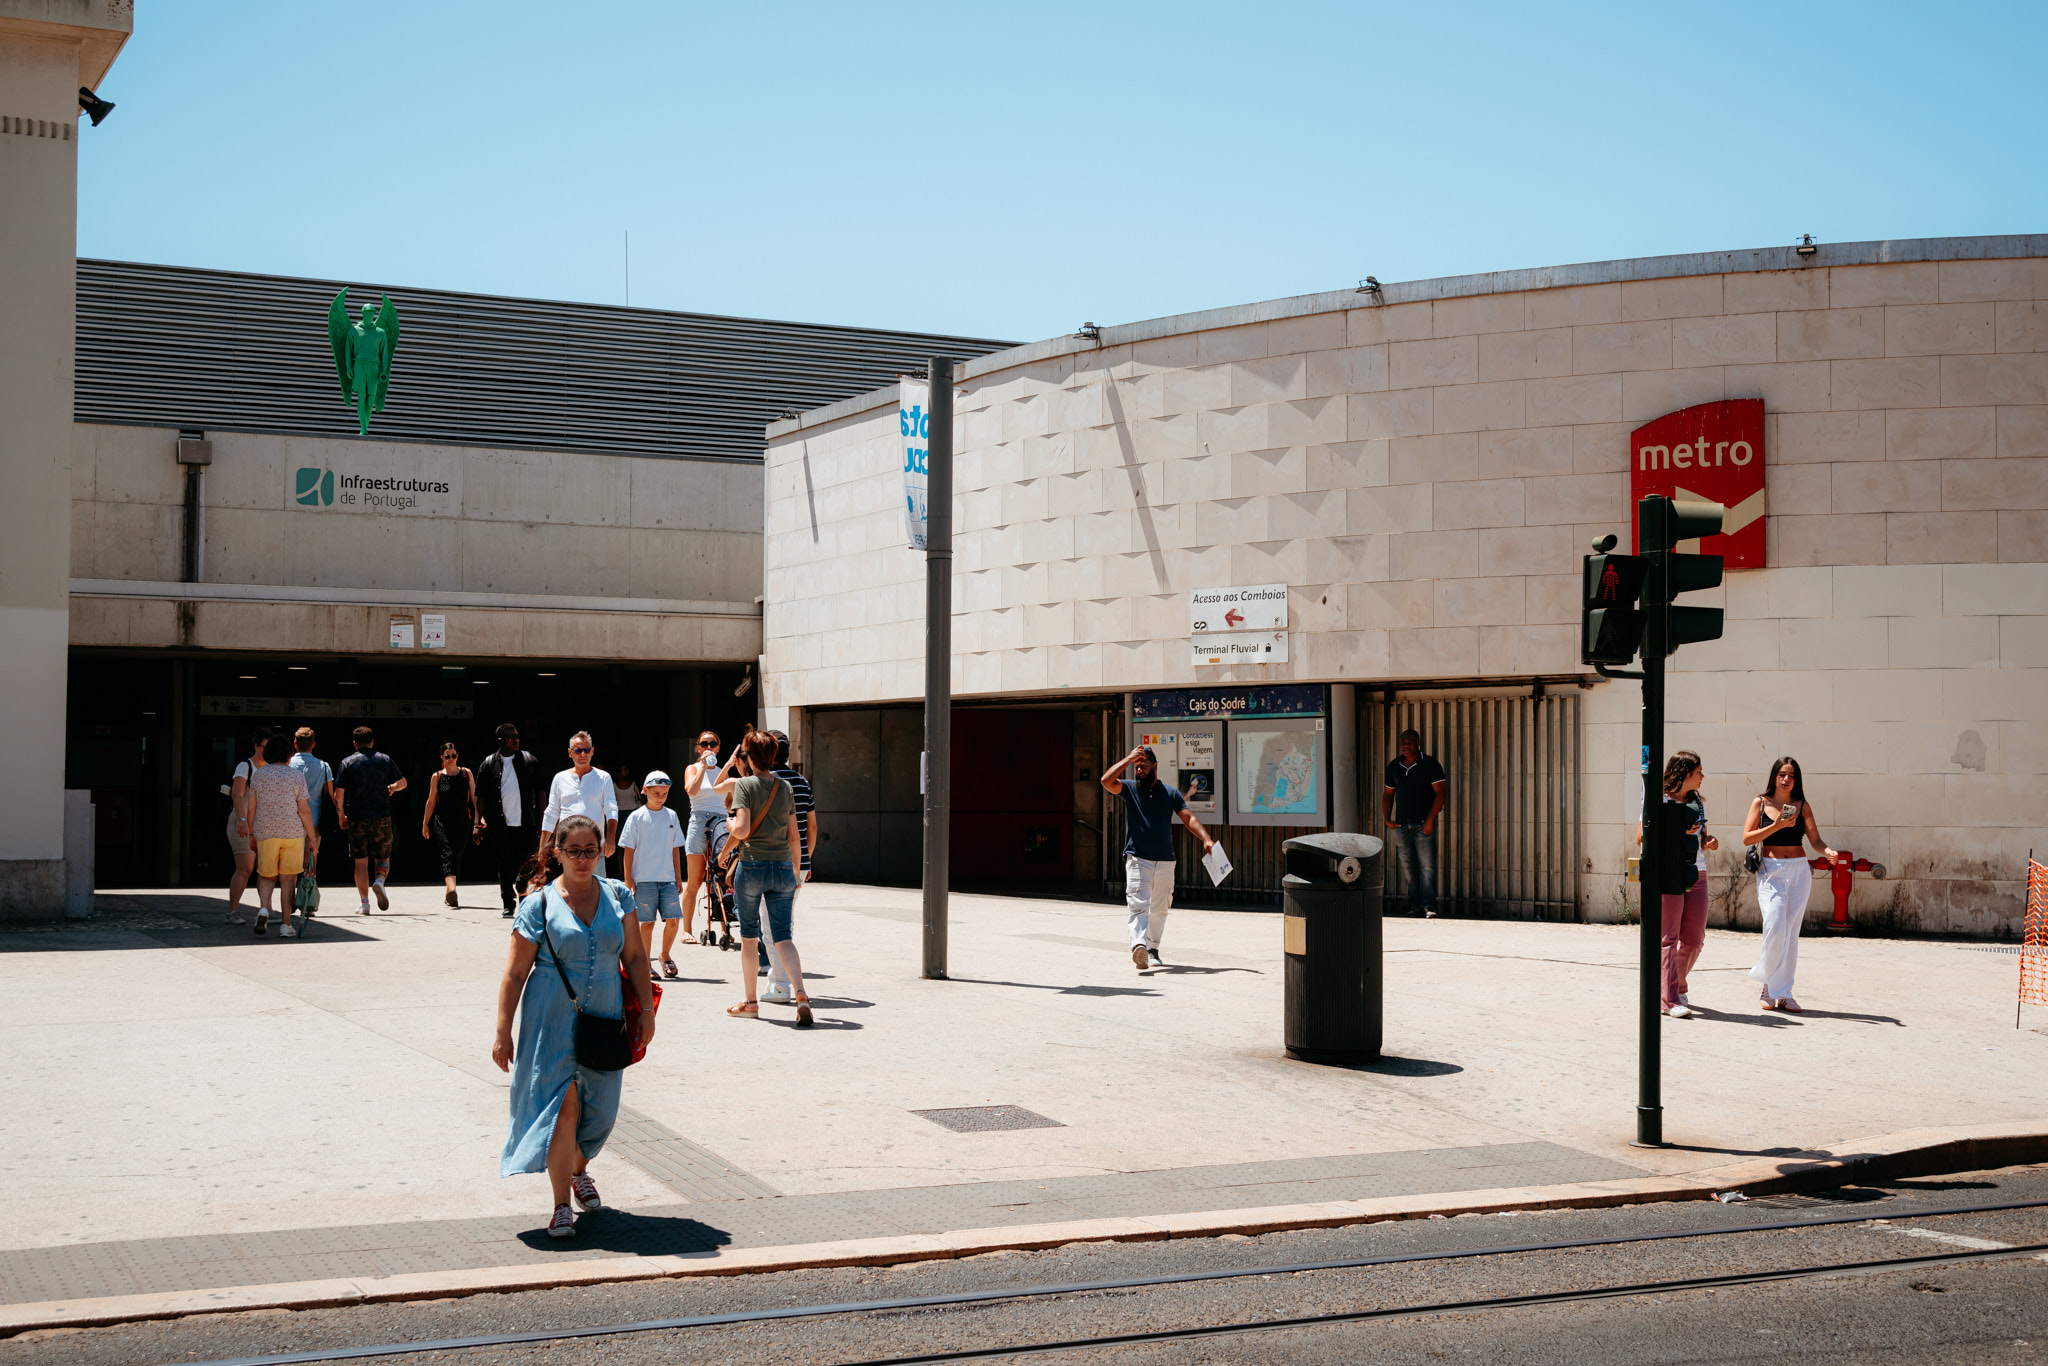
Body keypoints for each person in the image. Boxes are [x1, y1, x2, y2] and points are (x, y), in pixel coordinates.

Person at [492, 814, 656, 1239]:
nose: (582, 859)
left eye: (590, 850)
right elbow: (513, 975)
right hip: (550, 1018)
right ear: (557, 853)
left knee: (599, 1112)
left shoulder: (619, 896)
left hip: (605, 1014)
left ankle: (577, 1169)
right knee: (562, 1109)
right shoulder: (538, 904)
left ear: (603, 851)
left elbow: (635, 957)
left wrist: (646, 1012)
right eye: (573, 851)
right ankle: (561, 1205)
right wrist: (502, 1032)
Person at [1099, 743, 1217, 972]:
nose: (1139, 770)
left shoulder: (1170, 793)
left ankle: (1152, 949)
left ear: (1155, 766)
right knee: (1138, 904)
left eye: (1143, 766)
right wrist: (1128, 758)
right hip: (1138, 858)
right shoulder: (1130, 788)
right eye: (1137, 767)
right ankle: (1138, 946)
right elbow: (1106, 781)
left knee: (1161, 907)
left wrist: (1206, 838)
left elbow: (1188, 817)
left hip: (1165, 860)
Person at [724, 731, 811, 1025]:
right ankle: (800, 994)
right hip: (783, 867)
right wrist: (796, 873)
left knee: (750, 938)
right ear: (773, 757)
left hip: (752, 867)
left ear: (748, 757)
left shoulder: (744, 785)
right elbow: (795, 836)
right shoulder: (785, 786)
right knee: (783, 936)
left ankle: (750, 1001)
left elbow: (743, 830)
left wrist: (730, 823)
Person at [1742, 756, 1841, 1014]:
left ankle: (1784, 993)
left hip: (1798, 870)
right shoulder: (1760, 802)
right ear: (1775, 776)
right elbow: (1747, 838)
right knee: (1774, 927)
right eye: (1783, 774)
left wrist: (1828, 850)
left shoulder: (1801, 805)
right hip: (1770, 871)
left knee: (1791, 933)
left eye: (1792, 776)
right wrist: (1776, 826)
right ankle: (1767, 984)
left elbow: (1815, 840)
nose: (1787, 780)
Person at [1637, 751, 1718, 1019]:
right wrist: (1674, 831)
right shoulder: (1657, 799)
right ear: (1684, 773)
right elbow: (1641, 838)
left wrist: (1708, 842)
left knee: (1695, 939)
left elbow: (1701, 836)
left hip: (1696, 871)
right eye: (1699, 772)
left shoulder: (1698, 803)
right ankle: (1669, 999)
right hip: (1668, 872)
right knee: (1668, 937)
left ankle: (1677, 982)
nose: (1703, 776)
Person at [762, 729, 817, 1005]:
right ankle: (780, 980)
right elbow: (812, 827)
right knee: (785, 922)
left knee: (770, 927)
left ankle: (780, 984)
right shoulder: (801, 781)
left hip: (770, 861)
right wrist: (805, 861)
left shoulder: (762, 780)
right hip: (798, 864)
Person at [245, 732, 319, 937]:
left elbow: (251, 808)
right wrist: (312, 838)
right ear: (289, 754)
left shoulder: (258, 775)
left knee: (266, 876)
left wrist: (252, 833)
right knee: (288, 879)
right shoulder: (296, 776)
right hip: (292, 833)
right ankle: (286, 924)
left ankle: (263, 909)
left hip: (266, 831)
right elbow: (304, 810)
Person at [334, 725, 407, 914]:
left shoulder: (347, 763)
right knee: (383, 856)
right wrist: (392, 786)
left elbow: (338, 794)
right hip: (381, 816)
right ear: (373, 741)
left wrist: (341, 815)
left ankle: (364, 902)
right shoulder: (384, 759)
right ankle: (380, 881)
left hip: (357, 817)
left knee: (360, 861)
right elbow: (403, 783)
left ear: (354, 743)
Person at [620, 771, 686, 979]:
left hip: (667, 879)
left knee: (673, 920)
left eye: (664, 793)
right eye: (655, 792)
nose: (660, 796)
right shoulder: (637, 817)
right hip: (644, 879)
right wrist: (628, 878)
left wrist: (678, 876)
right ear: (644, 791)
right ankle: (645, 962)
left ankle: (665, 955)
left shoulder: (672, 816)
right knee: (647, 923)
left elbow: (676, 848)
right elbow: (628, 849)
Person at [477, 724, 544, 918]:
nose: (516, 740)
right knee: (504, 866)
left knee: (526, 866)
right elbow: (480, 796)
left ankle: (524, 898)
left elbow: (540, 791)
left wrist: (542, 819)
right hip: (499, 826)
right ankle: (508, 903)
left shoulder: (529, 761)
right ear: (501, 741)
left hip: (526, 825)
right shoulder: (489, 764)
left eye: (517, 736)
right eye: (511, 737)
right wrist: (476, 824)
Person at [1382, 729, 1448, 918]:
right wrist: (1387, 819)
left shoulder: (1430, 764)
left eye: (1410, 742)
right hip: (1401, 826)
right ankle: (1415, 906)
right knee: (1408, 868)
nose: (1406, 745)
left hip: (1422, 825)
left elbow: (1441, 793)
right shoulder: (1394, 766)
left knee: (1427, 867)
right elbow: (1388, 794)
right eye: (1403, 742)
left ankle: (1429, 907)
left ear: (1419, 742)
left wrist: (1429, 820)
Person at [539, 731, 619, 874]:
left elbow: (611, 809)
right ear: (570, 753)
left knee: (597, 891)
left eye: (586, 749)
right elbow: (551, 813)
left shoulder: (603, 778)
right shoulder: (559, 778)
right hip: (566, 849)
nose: (583, 754)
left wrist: (610, 838)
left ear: (592, 751)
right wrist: (543, 848)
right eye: (578, 750)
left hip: (594, 849)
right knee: (565, 892)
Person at [680, 731, 729, 942]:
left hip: (720, 820)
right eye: (704, 743)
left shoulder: (723, 771)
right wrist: (703, 766)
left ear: (718, 747)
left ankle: (725, 928)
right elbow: (690, 790)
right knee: (694, 881)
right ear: (698, 747)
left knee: (720, 877)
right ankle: (686, 930)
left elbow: (729, 799)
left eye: (713, 743)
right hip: (698, 820)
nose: (709, 746)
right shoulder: (692, 769)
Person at [420, 742, 479, 908]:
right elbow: (431, 801)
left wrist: (479, 819)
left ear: (457, 757)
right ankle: (453, 889)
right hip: (441, 822)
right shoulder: (437, 776)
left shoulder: (466, 774)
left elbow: (475, 798)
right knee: (448, 853)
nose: (451, 759)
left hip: (463, 821)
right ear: (442, 758)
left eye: (454, 756)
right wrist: (425, 823)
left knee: (457, 855)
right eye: (447, 756)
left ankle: (449, 892)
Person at [221, 728, 270, 926]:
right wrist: (242, 820)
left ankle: (265, 910)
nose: (267, 751)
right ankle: (232, 911)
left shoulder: (270, 768)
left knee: (264, 869)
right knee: (245, 868)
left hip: (262, 825)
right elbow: (237, 794)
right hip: (243, 822)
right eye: (265, 747)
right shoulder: (245, 766)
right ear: (256, 746)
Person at [287, 727, 335, 875]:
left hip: (290, 821)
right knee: (310, 862)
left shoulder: (287, 765)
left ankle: (290, 896)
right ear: (313, 744)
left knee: (290, 865)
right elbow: (330, 795)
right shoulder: (324, 766)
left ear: (295, 744)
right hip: (314, 821)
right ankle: (307, 895)